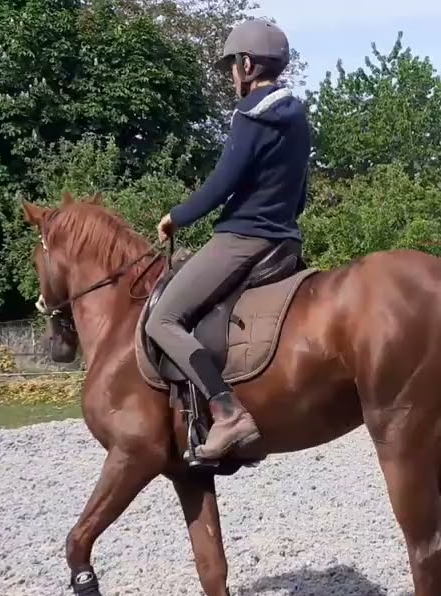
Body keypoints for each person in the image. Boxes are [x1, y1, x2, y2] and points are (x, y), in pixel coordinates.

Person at [145, 18, 311, 460]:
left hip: (244, 237)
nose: (231, 77)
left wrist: (177, 217)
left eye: (232, 67)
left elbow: (224, 182)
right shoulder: (297, 118)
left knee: (162, 319)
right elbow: (303, 191)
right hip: (284, 241)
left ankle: (228, 413)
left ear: (248, 64)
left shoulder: (251, 113)